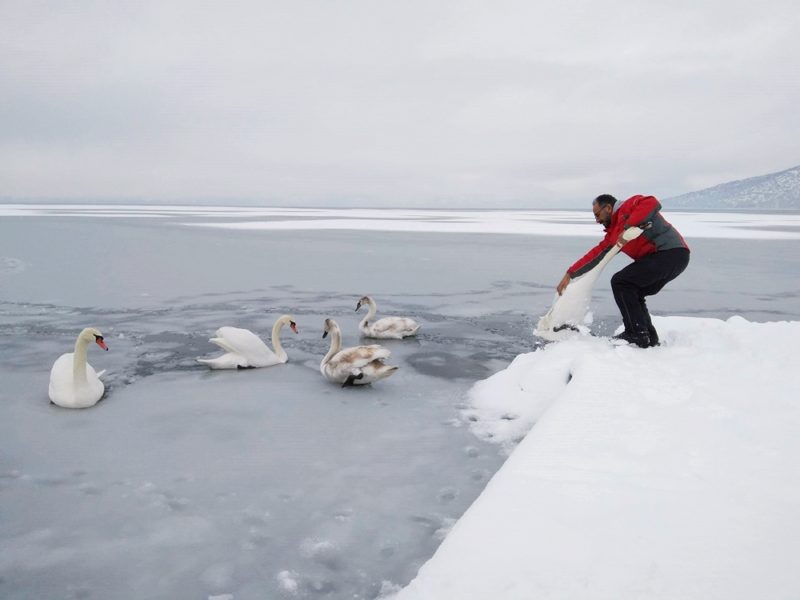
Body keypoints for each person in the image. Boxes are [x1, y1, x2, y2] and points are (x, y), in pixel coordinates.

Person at [556, 194, 690, 348]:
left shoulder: (628, 207)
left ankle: (636, 333)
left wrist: (627, 228)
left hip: (671, 252)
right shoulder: (613, 234)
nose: (597, 220)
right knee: (634, 290)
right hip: (670, 259)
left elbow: (652, 203)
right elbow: (595, 256)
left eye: (597, 214)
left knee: (621, 282)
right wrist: (570, 274)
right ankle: (648, 337)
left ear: (608, 208)